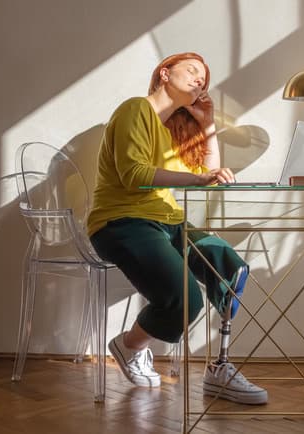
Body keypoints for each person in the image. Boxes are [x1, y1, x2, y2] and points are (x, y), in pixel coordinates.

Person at [86, 52, 268, 405]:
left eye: (204, 77)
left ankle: (220, 368)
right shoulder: (135, 109)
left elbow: (210, 174)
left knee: (229, 265)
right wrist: (199, 178)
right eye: (192, 71)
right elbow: (134, 175)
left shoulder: (171, 132)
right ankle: (128, 346)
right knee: (186, 299)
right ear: (164, 73)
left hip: (168, 223)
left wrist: (208, 122)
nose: (200, 79)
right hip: (122, 222)